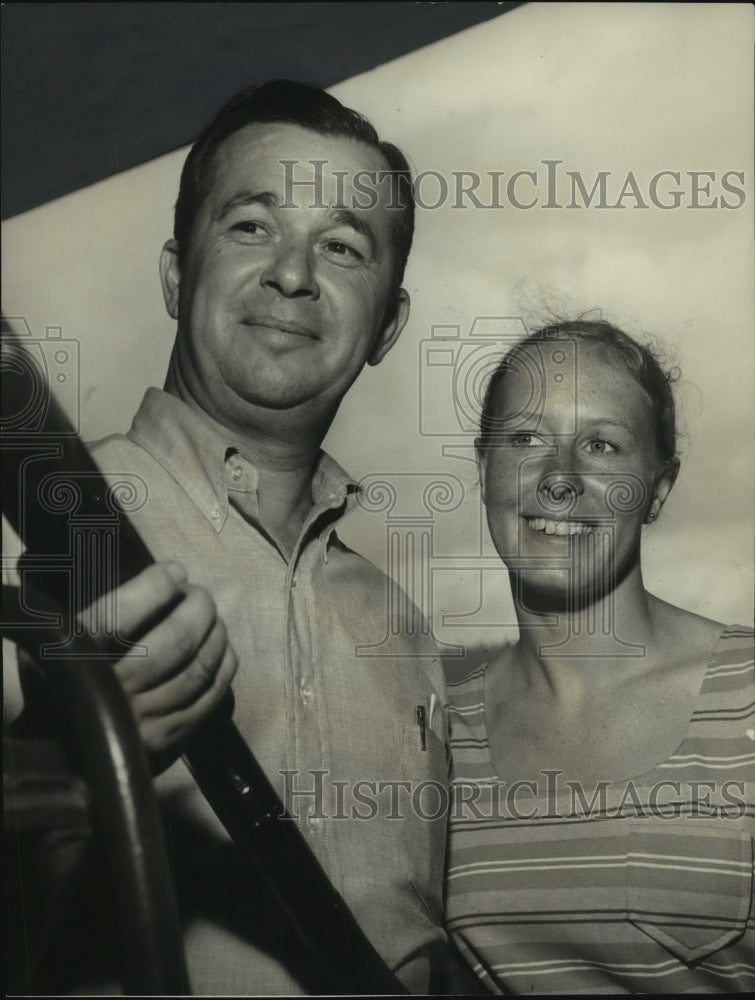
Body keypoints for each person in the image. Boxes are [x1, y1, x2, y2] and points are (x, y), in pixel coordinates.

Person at [5, 81, 450, 994]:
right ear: (176, 273)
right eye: (252, 225)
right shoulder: (27, 513)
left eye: (341, 246)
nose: (293, 273)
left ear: (387, 327)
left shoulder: (403, 626)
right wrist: (56, 765)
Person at [444, 319, 754, 994]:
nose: (559, 479)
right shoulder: (436, 729)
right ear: (482, 468)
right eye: (524, 439)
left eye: (602, 445)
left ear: (658, 488)